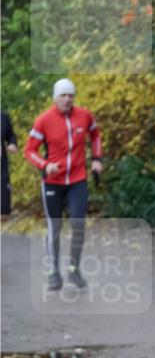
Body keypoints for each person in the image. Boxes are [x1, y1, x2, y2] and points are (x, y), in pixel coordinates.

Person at [24, 79, 103, 289]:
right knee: (55, 227)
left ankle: (74, 270)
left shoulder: (84, 115)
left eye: (70, 95)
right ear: (55, 97)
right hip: (53, 182)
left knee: (78, 224)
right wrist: (45, 165)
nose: (67, 99)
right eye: (63, 95)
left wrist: (97, 159)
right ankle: (53, 272)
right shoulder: (44, 120)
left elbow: (96, 136)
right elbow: (29, 150)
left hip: (77, 180)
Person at [2, 110, 16, 222]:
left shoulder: (3, 117)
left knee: (4, 214)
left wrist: (12, 144)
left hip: (2, 165)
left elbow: (11, 135)